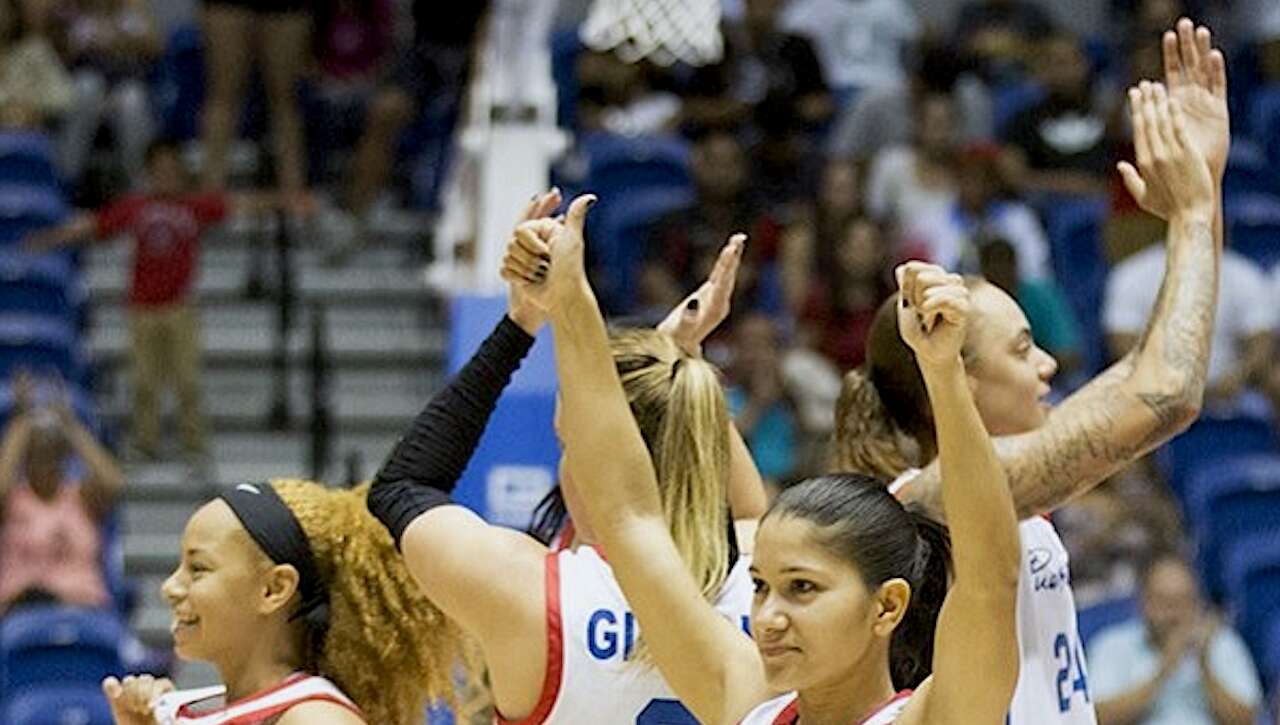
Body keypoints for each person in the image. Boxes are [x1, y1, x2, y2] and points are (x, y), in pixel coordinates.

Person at [833, 19, 1228, 725]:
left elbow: (1150, 375)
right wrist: (1195, 214)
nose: (1047, 361)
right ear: (950, 375)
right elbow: (1165, 396)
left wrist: (1203, 202)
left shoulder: (990, 489)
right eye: (1020, 349)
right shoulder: (934, 497)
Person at [518, 193, 1023, 723]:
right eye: (761, 587)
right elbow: (629, 517)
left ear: (887, 606)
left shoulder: (935, 718)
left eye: (802, 589)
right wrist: (570, 302)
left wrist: (942, 374)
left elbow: (991, 579)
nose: (768, 618)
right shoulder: (748, 705)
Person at [366, 191, 767, 723]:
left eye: (566, 442)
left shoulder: (527, 589)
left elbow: (403, 485)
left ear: (597, 457)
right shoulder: (770, 585)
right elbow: (742, 506)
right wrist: (674, 361)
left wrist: (521, 323)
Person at [98, 478, 475, 725]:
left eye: (198, 569)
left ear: (274, 589)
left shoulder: (317, 720)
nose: (170, 587)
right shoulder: (194, 709)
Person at [26, 139, 283, 465]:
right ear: (148, 173)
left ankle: (193, 445)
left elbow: (239, 203)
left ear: (181, 174)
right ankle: (145, 442)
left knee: (187, 379)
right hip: (142, 309)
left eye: (172, 171)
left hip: (180, 308)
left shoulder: (193, 207)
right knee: (144, 381)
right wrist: (49, 239)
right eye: (159, 171)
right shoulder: (136, 208)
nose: (166, 178)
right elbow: (92, 225)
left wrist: (284, 201)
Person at [0, 371, 125, 612]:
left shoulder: (81, 497)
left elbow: (114, 483)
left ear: (64, 456)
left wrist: (71, 426)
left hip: (81, 608)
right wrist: (20, 422)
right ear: (25, 459)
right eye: (36, 453)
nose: (44, 461)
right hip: (17, 611)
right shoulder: (12, 499)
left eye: (50, 453)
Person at [1089, 552, 1263, 724]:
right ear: (1143, 602)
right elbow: (1098, 718)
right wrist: (1164, 669)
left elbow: (1247, 720)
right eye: (1164, 602)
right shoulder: (1112, 645)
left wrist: (1205, 665)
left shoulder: (1222, 643)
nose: (1174, 614)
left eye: (1184, 602)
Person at [197, 0, 310, 208]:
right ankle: (211, 190)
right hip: (229, 8)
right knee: (223, 95)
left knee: (284, 97)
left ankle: (294, 188)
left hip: (284, 9)